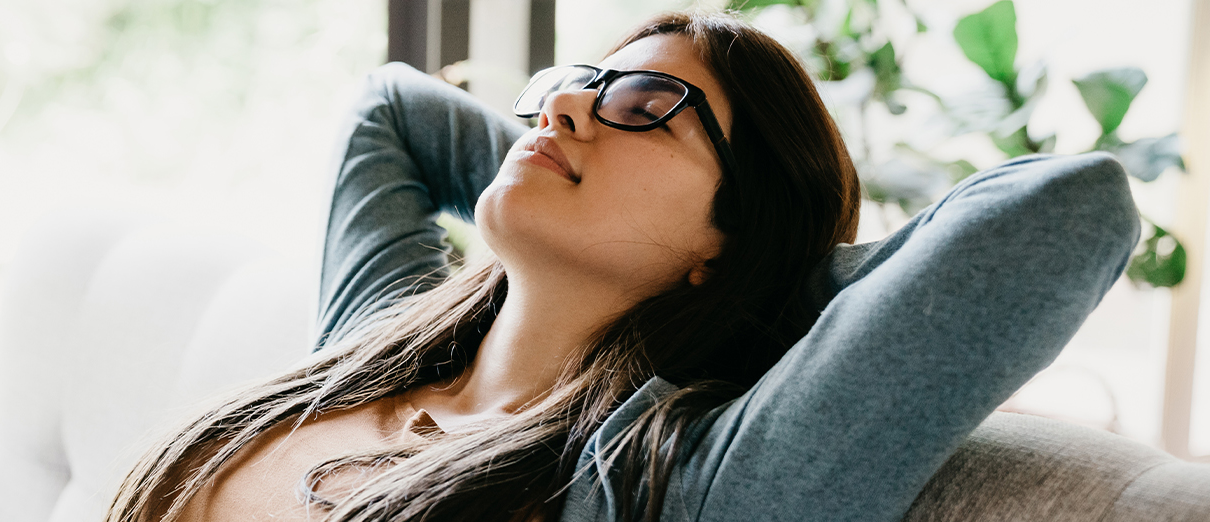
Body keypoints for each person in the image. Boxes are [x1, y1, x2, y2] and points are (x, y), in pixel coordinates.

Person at [106, 11, 1139, 522]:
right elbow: (394, 113)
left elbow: (1066, 210)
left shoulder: (669, 483)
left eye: (646, 106)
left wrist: (775, 275)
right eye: (572, 84)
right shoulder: (373, 337)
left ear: (727, 235)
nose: (558, 108)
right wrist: (575, 160)